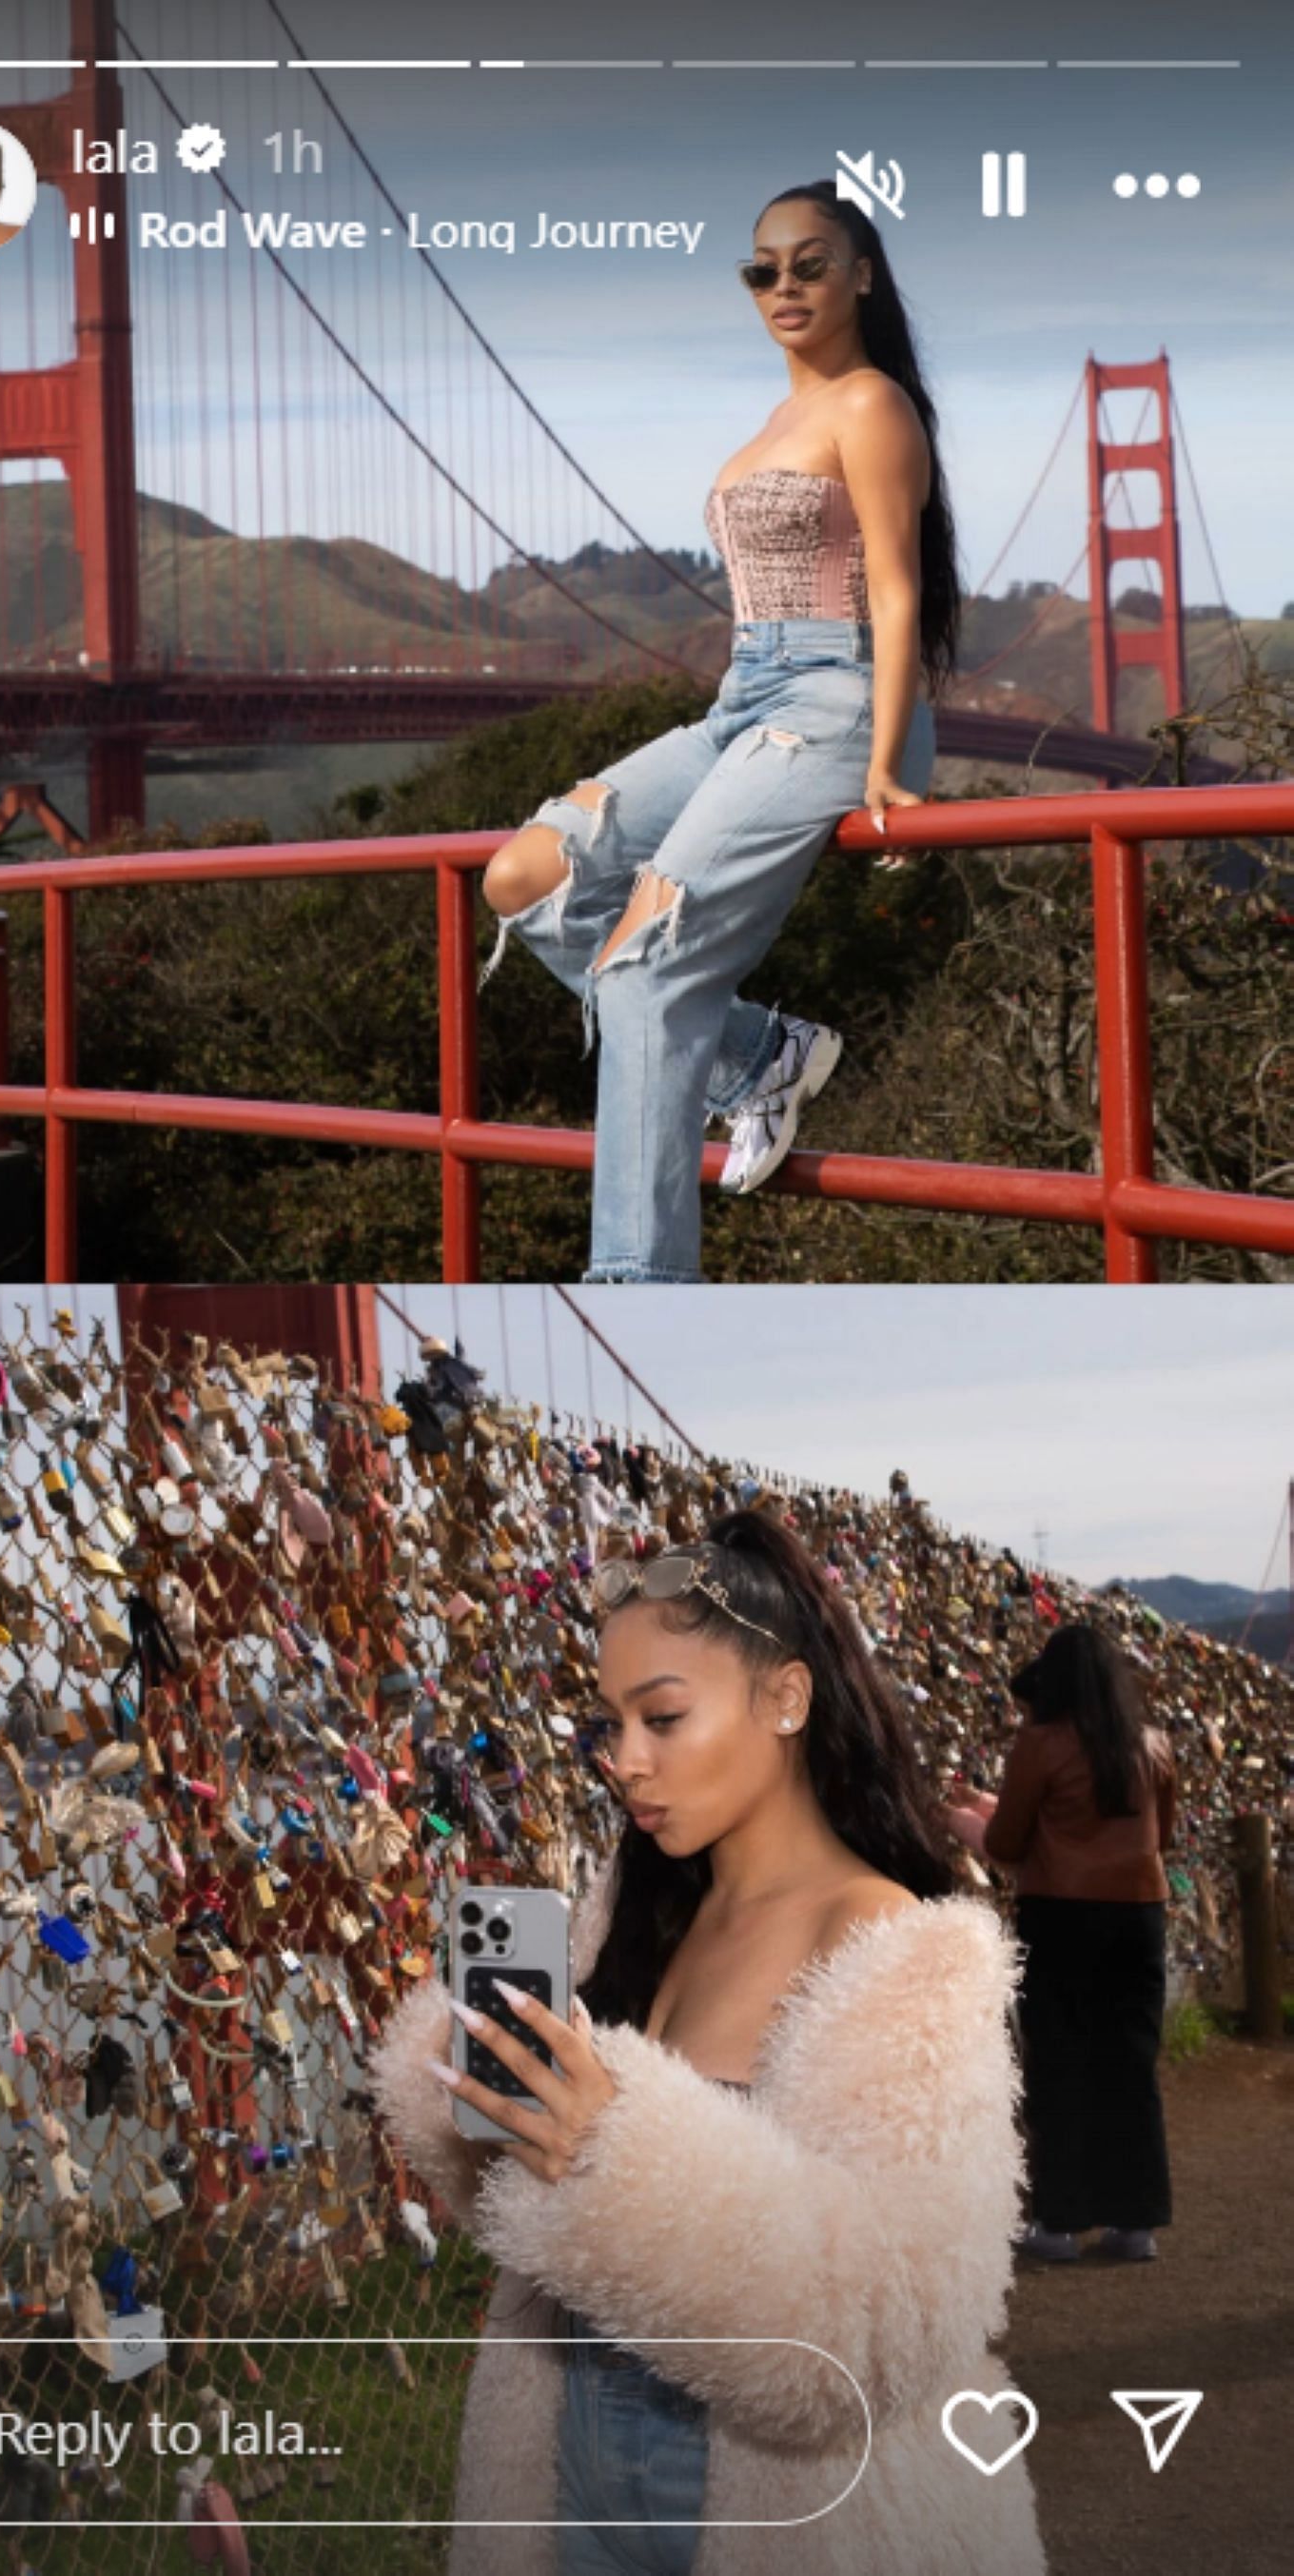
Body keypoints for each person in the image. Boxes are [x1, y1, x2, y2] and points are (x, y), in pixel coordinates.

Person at [369, 1511, 1046, 2576]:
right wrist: (480, 2095)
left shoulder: (900, 1948)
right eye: (608, 1723)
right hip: (564, 2467)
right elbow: (528, 2210)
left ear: (785, 1698)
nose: (623, 1761)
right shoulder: (633, 1915)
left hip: (781, 2505)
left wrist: (612, 2151)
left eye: (663, 1716)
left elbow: (884, 2322)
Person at [477, 178, 959, 1282]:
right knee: (525, 877)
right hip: (741, 699)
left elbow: (894, 590)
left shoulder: (871, 405)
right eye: (763, 269)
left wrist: (887, 758)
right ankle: (758, 1055)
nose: (784, 285)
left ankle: (635, 1277)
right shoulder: (778, 420)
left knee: (647, 968)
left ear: (863, 275)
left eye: (810, 263)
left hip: (838, 702)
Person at [946, 1622, 1177, 2265]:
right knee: (1131, 2065)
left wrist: (961, 1817)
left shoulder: (1041, 1742)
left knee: (1059, 2063)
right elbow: (1154, 1832)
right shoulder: (1153, 1745)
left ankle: (1059, 2222)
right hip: (1139, 1914)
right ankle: (1136, 2223)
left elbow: (1011, 1845)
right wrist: (992, 1803)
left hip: (1062, 1917)